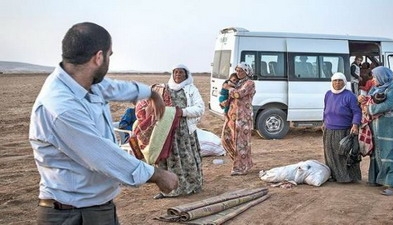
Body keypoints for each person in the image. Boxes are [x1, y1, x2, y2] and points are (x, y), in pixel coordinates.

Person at [29, 22, 178, 225]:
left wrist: (149, 93)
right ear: (98, 57)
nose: (109, 60)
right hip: (72, 215)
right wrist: (157, 175)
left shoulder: (84, 82)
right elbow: (103, 156)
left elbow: (115, 88)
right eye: (109, 55)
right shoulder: (61, 108)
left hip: (95, 207)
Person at [134, 64, 205, 199]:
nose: (178, 75)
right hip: (164, 131)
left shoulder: (191, 89)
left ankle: (190, 187)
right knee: (166, 159)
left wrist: (181, 112)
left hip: (183, 132)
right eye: (176, 72)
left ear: (186, 75)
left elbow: (200, 109)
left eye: (181, 73)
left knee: (186, 159)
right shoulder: (162, 89)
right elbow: (147, 103)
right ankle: (169, 189)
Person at [359, 66, 393, 196]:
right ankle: (376, 179)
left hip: (390, 128)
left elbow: (388, 105)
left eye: (375, 77)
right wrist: (362, 100)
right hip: (376, 128)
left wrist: (370, 110)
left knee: (389, 154)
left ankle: (392, 185)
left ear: (382, 77)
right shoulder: (375, 89)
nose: (373, 80)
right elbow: (368, 100)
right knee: (377, 154)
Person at [322, 72, 362, 183]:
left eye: (340, 80)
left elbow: (357, 112)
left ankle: (347, 177)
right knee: (330, 155)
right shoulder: (328, 94)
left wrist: (355, 124)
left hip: (343, 130)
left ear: (344, 82)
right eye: (335, 80)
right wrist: (324, 122)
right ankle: (334, 176)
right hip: (329, 129)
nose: (337, 83)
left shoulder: (350, 96)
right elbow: (325, 109)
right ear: (332, 82)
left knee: (342, 155)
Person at [221, 62, 256, 176]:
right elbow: (230, 98)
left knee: (240, 143)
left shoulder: (249, 83)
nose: (238, 73)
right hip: (231, 117)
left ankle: (240, 167)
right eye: (237, 70)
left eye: (241, 71)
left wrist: (229, 87)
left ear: (246, 72)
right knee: (225, 140)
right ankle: (243, 162)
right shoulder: (236, 83)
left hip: (243, 119)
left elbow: (238, 94)